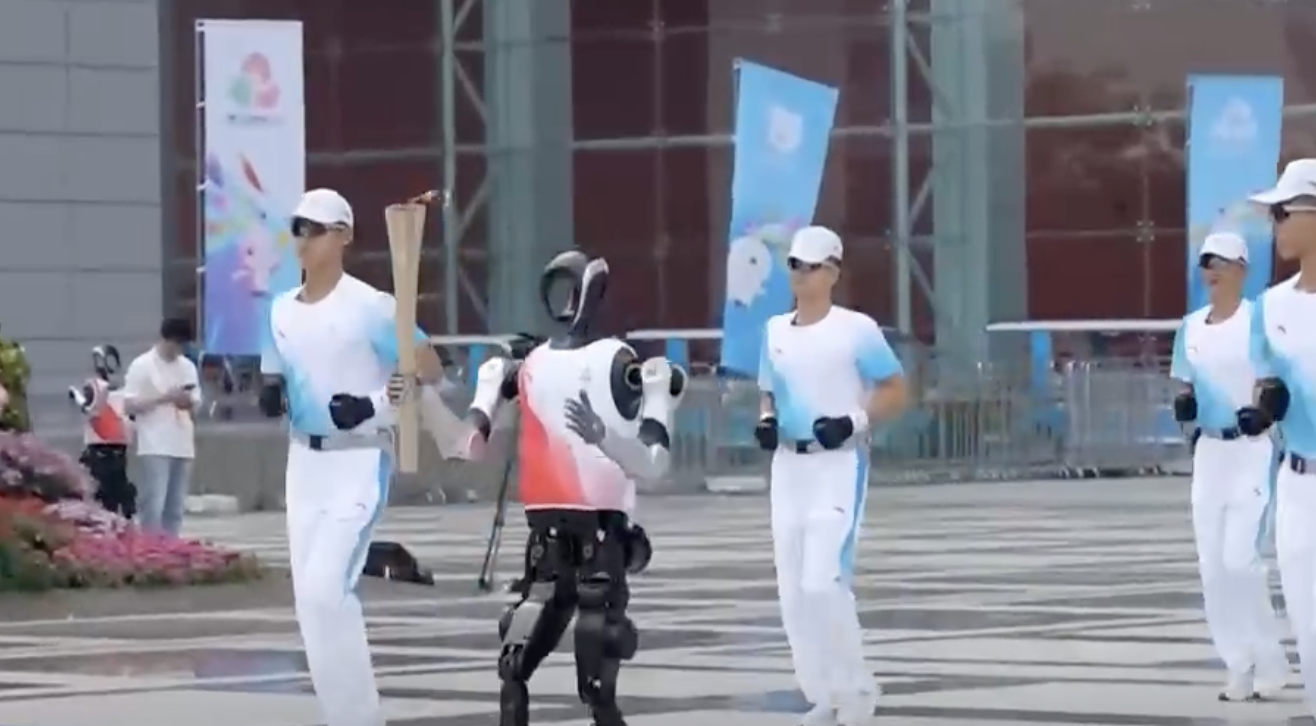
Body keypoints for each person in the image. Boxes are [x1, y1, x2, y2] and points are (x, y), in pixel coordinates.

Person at [462, 250, 686, 726]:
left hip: (570, 526)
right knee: (571, 655)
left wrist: (479, 421)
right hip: (581, 528)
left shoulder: (540, 362)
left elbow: (487, 398)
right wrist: (659, 402)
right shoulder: (603, 360)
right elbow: (653, 462)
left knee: (557, 648)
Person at [257, 187, 443, 726]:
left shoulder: (372, 307)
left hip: (358, 461)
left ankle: (360, 717)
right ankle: (342, 716)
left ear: (343, 236)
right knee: (310, 604)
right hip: (303, 464)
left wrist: (372, 404)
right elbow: (275, 372)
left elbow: (428, 368)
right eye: (297, 228)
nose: (303, 239)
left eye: (314, 229)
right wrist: (272, 392)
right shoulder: (280, 310)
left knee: (326, 588)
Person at [753, 226, 908, 726]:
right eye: (795, 265)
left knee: (823, 581)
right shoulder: (774, 331)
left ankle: (857, 689)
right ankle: (822, 693)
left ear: (834, 272)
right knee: (793, 591)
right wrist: (766, 420)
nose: (801, 274)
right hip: (788, 467)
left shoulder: (856, 329)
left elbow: (895, 389)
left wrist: (853, 421)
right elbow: (768, 390)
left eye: (812, 266)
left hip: (839, 463)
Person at [1169, 231, 1288, 702]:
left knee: (1241, 561)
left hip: (1251, 451)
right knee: (1213, 568)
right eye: (1205, 262)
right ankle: (1238, 664)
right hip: (1210, 454)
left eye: (1220, 262)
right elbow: (1185, 385)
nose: (1211, 271)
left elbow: (1271, 381)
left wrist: (1262, 411)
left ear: (1242, 269)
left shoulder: (1257, 320)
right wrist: (1185, 406)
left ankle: (1269, 662)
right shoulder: (1190, 328)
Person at [1245, 159, 1316, 716]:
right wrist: (1265, 405)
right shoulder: (1270, 306)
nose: (1276, 227)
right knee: (1308, 617)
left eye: (1282, 213)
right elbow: (1263, 381)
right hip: (1298, 483)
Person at [123, 317, 202, 535]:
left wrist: (184, 400)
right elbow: (129, 405)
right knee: (154, 503)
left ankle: (171, 547)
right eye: (175, 344)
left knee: (175, 507)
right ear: (165, 339)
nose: (178, 350)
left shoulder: (187, 367)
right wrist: (163, 398)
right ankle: (150, 547)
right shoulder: (142, 365)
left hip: (182, 442)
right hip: (155, 443)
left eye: (182, 345)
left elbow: (195, 403)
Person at [70, 345, 136, 518]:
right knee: (101, 497)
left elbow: (91, 409)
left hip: (118, 450)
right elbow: (91, 410)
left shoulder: (124, 391)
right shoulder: (94, 387)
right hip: (98, 450)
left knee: (117, 496)